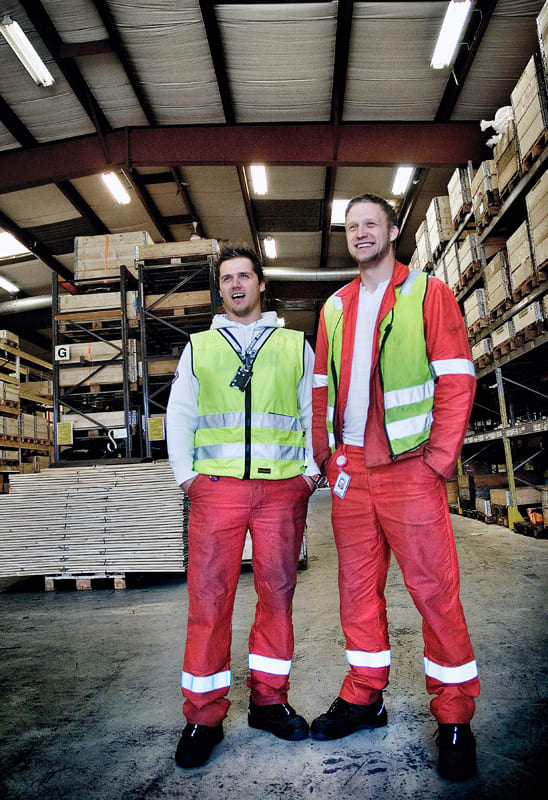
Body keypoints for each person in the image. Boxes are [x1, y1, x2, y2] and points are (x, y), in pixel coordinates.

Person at [311, 194, 480, 782]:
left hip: (410, 467)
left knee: (434, 591)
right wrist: (327, 456)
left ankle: (454, 714)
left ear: (390, 231)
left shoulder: (428, 293)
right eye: (352, 226)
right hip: (352, 471)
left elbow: (456, 378)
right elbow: (321, 388)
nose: (360, 233)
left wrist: (437, 461)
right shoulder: (334, 307)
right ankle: (365, 695)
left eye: (370, 224)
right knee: (357, 591)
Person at [166, 242, 321, 769]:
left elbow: (311, 410)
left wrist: (310, 473)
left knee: (277, 595)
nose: (236, 285)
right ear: (221, 289)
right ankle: (203, 716)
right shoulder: (200, 347)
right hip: (217, 490)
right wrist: (188, 477)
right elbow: (180, 415)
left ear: (261, 283)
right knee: (209, 601)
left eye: (244, 276)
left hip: (281, 491)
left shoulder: (294, 344)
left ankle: (269, 702)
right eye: (228, 278)